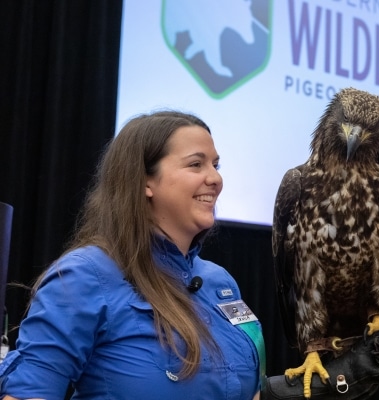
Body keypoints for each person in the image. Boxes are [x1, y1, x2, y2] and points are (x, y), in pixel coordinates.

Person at [0, 111, 264, 399]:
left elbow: (251, 389)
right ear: (144, 182)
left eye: (215, 165)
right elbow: (28, 394)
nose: (215, 178)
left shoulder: (220, 283)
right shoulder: (84, 276)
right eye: (196, 164)